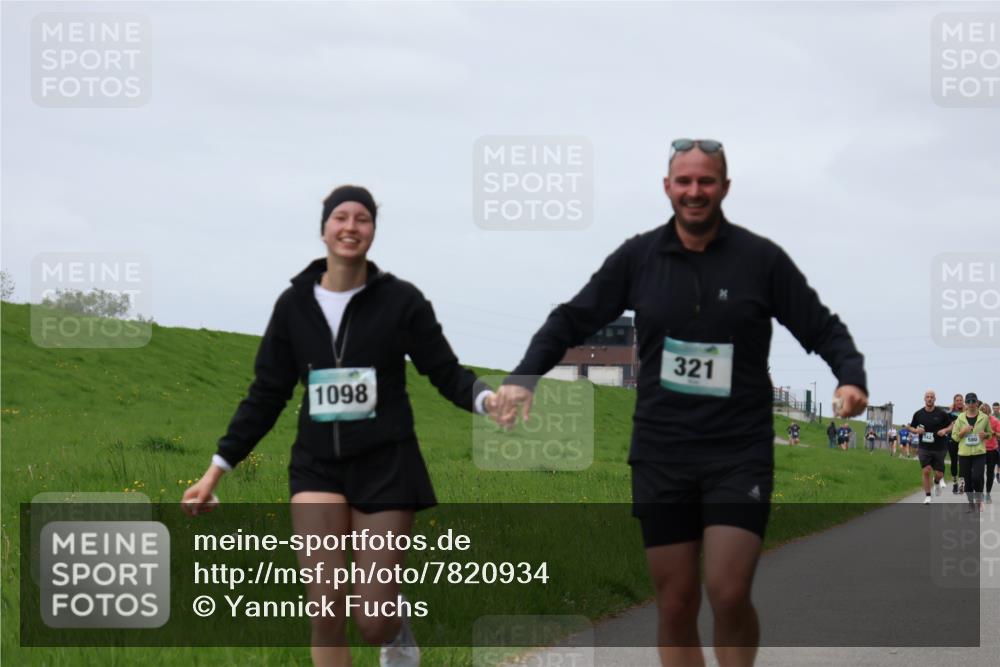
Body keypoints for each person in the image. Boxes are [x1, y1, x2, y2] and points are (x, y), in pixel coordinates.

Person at [490, 139, 868, 667]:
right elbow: (570, 318)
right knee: (675, 601)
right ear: (667, 187)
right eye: (684, 181)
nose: (695, 192)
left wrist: (850, 378)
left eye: (706, 181)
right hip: (663, 449)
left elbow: (821, 326)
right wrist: (524, 376)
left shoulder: (761, 261)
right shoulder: (638, 258)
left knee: (729, 590)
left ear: (725, 188)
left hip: (738, 450)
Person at [181, 185, 497, 667]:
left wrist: (486, 400)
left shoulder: (402, 302)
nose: (351, 227)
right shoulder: (293, 306)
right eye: (341, 217)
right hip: (317, 469)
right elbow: (266, 394)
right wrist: (215, 471)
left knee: (372, 619)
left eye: (363, 219)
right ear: (324, 228)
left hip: (387, 467)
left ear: (373, 230)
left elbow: (445, 371)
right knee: (325, 608)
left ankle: (396, 633)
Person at [909, 390, 955, 504]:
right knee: (926, 470)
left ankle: (937, 482)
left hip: (939, 447)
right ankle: (928, 496)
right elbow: (910, 427)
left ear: (935, 399)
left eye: (931, 397)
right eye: (927, 397)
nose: (929, 399)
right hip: (924, 447)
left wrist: (945, 430)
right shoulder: (918, 414)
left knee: (939, 474)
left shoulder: (941, 413)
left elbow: (952, 425)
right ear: (924, 399)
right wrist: (916, 430)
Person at [951, 392, 993, 513]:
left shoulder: (984, 417)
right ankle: (970, 504)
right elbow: (955, 437)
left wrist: (986, 435)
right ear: (965, 403)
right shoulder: (960, 418)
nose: (971, 404)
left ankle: (978, 501)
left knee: (977, 477)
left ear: (977, 402)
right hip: (964, 453)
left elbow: (990, 434)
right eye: (968, 402)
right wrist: (963, 431)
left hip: (979, 453)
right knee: (967, 480)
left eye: (973, 401)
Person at [983, 400, 1000, 504]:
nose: (983, 414)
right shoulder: (976, 420)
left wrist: (993, 433)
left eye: (985, 412)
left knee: (989, 473)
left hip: (992, 450)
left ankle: (988, 493)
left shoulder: (994, 421)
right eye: (981, 411)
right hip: (979, 450)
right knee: (978, 473)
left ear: (989, 412)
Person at [948, 393, 965, 493]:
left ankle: (962, 484)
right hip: (952, 439)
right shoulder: (950, 413)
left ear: (963, 401)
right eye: (957, 400)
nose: (959, 402)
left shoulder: (967, 412)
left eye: (960, 400)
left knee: (963, 462)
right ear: (954, 402)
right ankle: (955, 483)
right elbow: (947, 425)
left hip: (963, 440)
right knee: (954, 461)